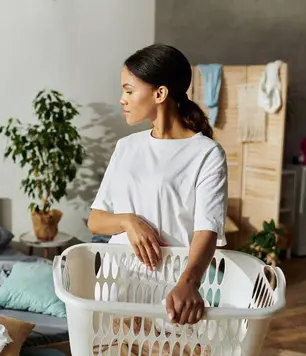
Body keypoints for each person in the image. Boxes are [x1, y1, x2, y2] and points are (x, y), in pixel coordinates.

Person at [87, 44, 228, 326]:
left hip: (171, 288)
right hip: (117, 282)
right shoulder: (126, 147)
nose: (122, 99)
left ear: (160, 93)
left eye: (128, 90)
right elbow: (96, 220)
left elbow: (207, 230)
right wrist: (129, 222)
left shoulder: (207, 153)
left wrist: (189, 283)